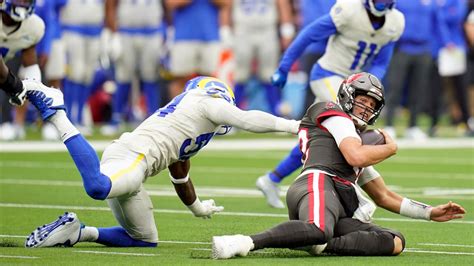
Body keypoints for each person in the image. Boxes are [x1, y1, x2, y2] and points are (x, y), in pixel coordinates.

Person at [23, 76, 300, 248]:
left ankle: (77, 233)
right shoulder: (207, 102)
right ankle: (57, 111)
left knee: (144, 239)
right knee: (97, 187)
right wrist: (293, 125)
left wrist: (198, 208)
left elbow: (180, 175)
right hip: (133, 156)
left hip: (136, 165)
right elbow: (246, 119)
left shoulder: (192, 122)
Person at [211, 72, 466, 259]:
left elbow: (384, 195)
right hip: (316, 183)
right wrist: (389, 148)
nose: (366, 108)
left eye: (372, 105)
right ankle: (243, 242)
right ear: (347, 95)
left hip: (338, 199)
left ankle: (322, 245)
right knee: (319, 228)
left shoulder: (355, 141)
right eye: (362, 100)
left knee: (395, 240)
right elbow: (355, 156)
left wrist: (430, 213)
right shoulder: (331, 111)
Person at [256, 0, 405, 209]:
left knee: (319, 134)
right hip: (328, 75)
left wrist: (370, 83)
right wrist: (284, 66)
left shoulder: (395, 22)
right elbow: (308, 34)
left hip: (355, 85)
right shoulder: (349, 10)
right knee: (346, 128)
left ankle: (272, 178)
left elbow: (382, 62)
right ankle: (357, 199)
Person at [100, 0, 166, 136]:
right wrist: (113, 33)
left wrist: (168, 30)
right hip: (126, 32)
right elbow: (111, 4)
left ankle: (153, 118)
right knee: (123, 77)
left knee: (151, 77)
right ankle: (117, 118)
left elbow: (167, 6)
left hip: (152, 32)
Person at [226, 0, 295, 116]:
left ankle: (276, 114)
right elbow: (226, 5)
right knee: (240, 75)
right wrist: (226, 29)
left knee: (269, 74)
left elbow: (282, 3)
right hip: (243, 30)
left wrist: (286, 29)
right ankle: (231, 116)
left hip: (267, 30)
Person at [0, 0, 44, 140]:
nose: (22, 3)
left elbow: (30, 63)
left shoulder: (34, 26)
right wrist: (15, 86)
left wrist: (37, 91)